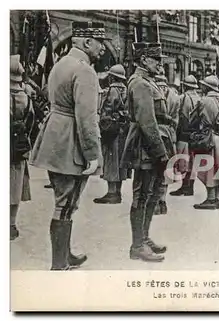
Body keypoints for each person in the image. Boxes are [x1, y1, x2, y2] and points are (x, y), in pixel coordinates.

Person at [30, 21, 108, 270]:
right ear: (87, 42)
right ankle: (59, 262)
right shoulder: (84, 71)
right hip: (71, 143)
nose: (102, 50)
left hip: (55, 139)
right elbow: (86, 118)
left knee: (63, 201)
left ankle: (65, 254)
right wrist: (93, 155)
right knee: (66, 203)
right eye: (99, 43)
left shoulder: (61, 64)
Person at [120, 42, 170, 262]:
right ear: (143, 60)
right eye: (155, 59)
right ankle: (137, 244)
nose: (160, 63)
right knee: (141, 195)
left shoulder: (149, 82)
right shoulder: (139, 83)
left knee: (151, 194)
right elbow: (146, 121)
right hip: (145, 147)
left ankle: (144, 237)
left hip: (151, 145)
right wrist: (160, 152)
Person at [192, 75, 219, 210]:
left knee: (208, 167)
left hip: (208, 137)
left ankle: (210, 198)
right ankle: (216, 198)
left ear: (207, 87)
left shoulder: (203, 101)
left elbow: (194, 119)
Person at [94, 64, 131, 204]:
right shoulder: (126, 90)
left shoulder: (111, 90)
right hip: (124, 130)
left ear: (111, 76)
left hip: (112, 129)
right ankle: (118, 192)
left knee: (111, 159)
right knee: (120, 160)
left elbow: (107, 110)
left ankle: (111, 192)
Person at [10, 55, 35, 241]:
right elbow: (31, 121)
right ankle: (11, 224)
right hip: (19, 147)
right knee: (16, 185)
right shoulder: (25, 96)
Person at [154, 68, 180, 215]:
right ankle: (163, 201)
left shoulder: (153, 92)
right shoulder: (175, 96)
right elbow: (176, 120)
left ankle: (156, 203)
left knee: (155, 169)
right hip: (170, 135)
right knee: (167, 170)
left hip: (157, 134)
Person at [170, 75, 201, 197]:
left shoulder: (183, 98)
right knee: (193, 161)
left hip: (183, 132)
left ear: (185, 85)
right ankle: (190, 187)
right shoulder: (199, 98)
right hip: (195, 133)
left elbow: (180, 115)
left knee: (183, 160)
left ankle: (184, 186)